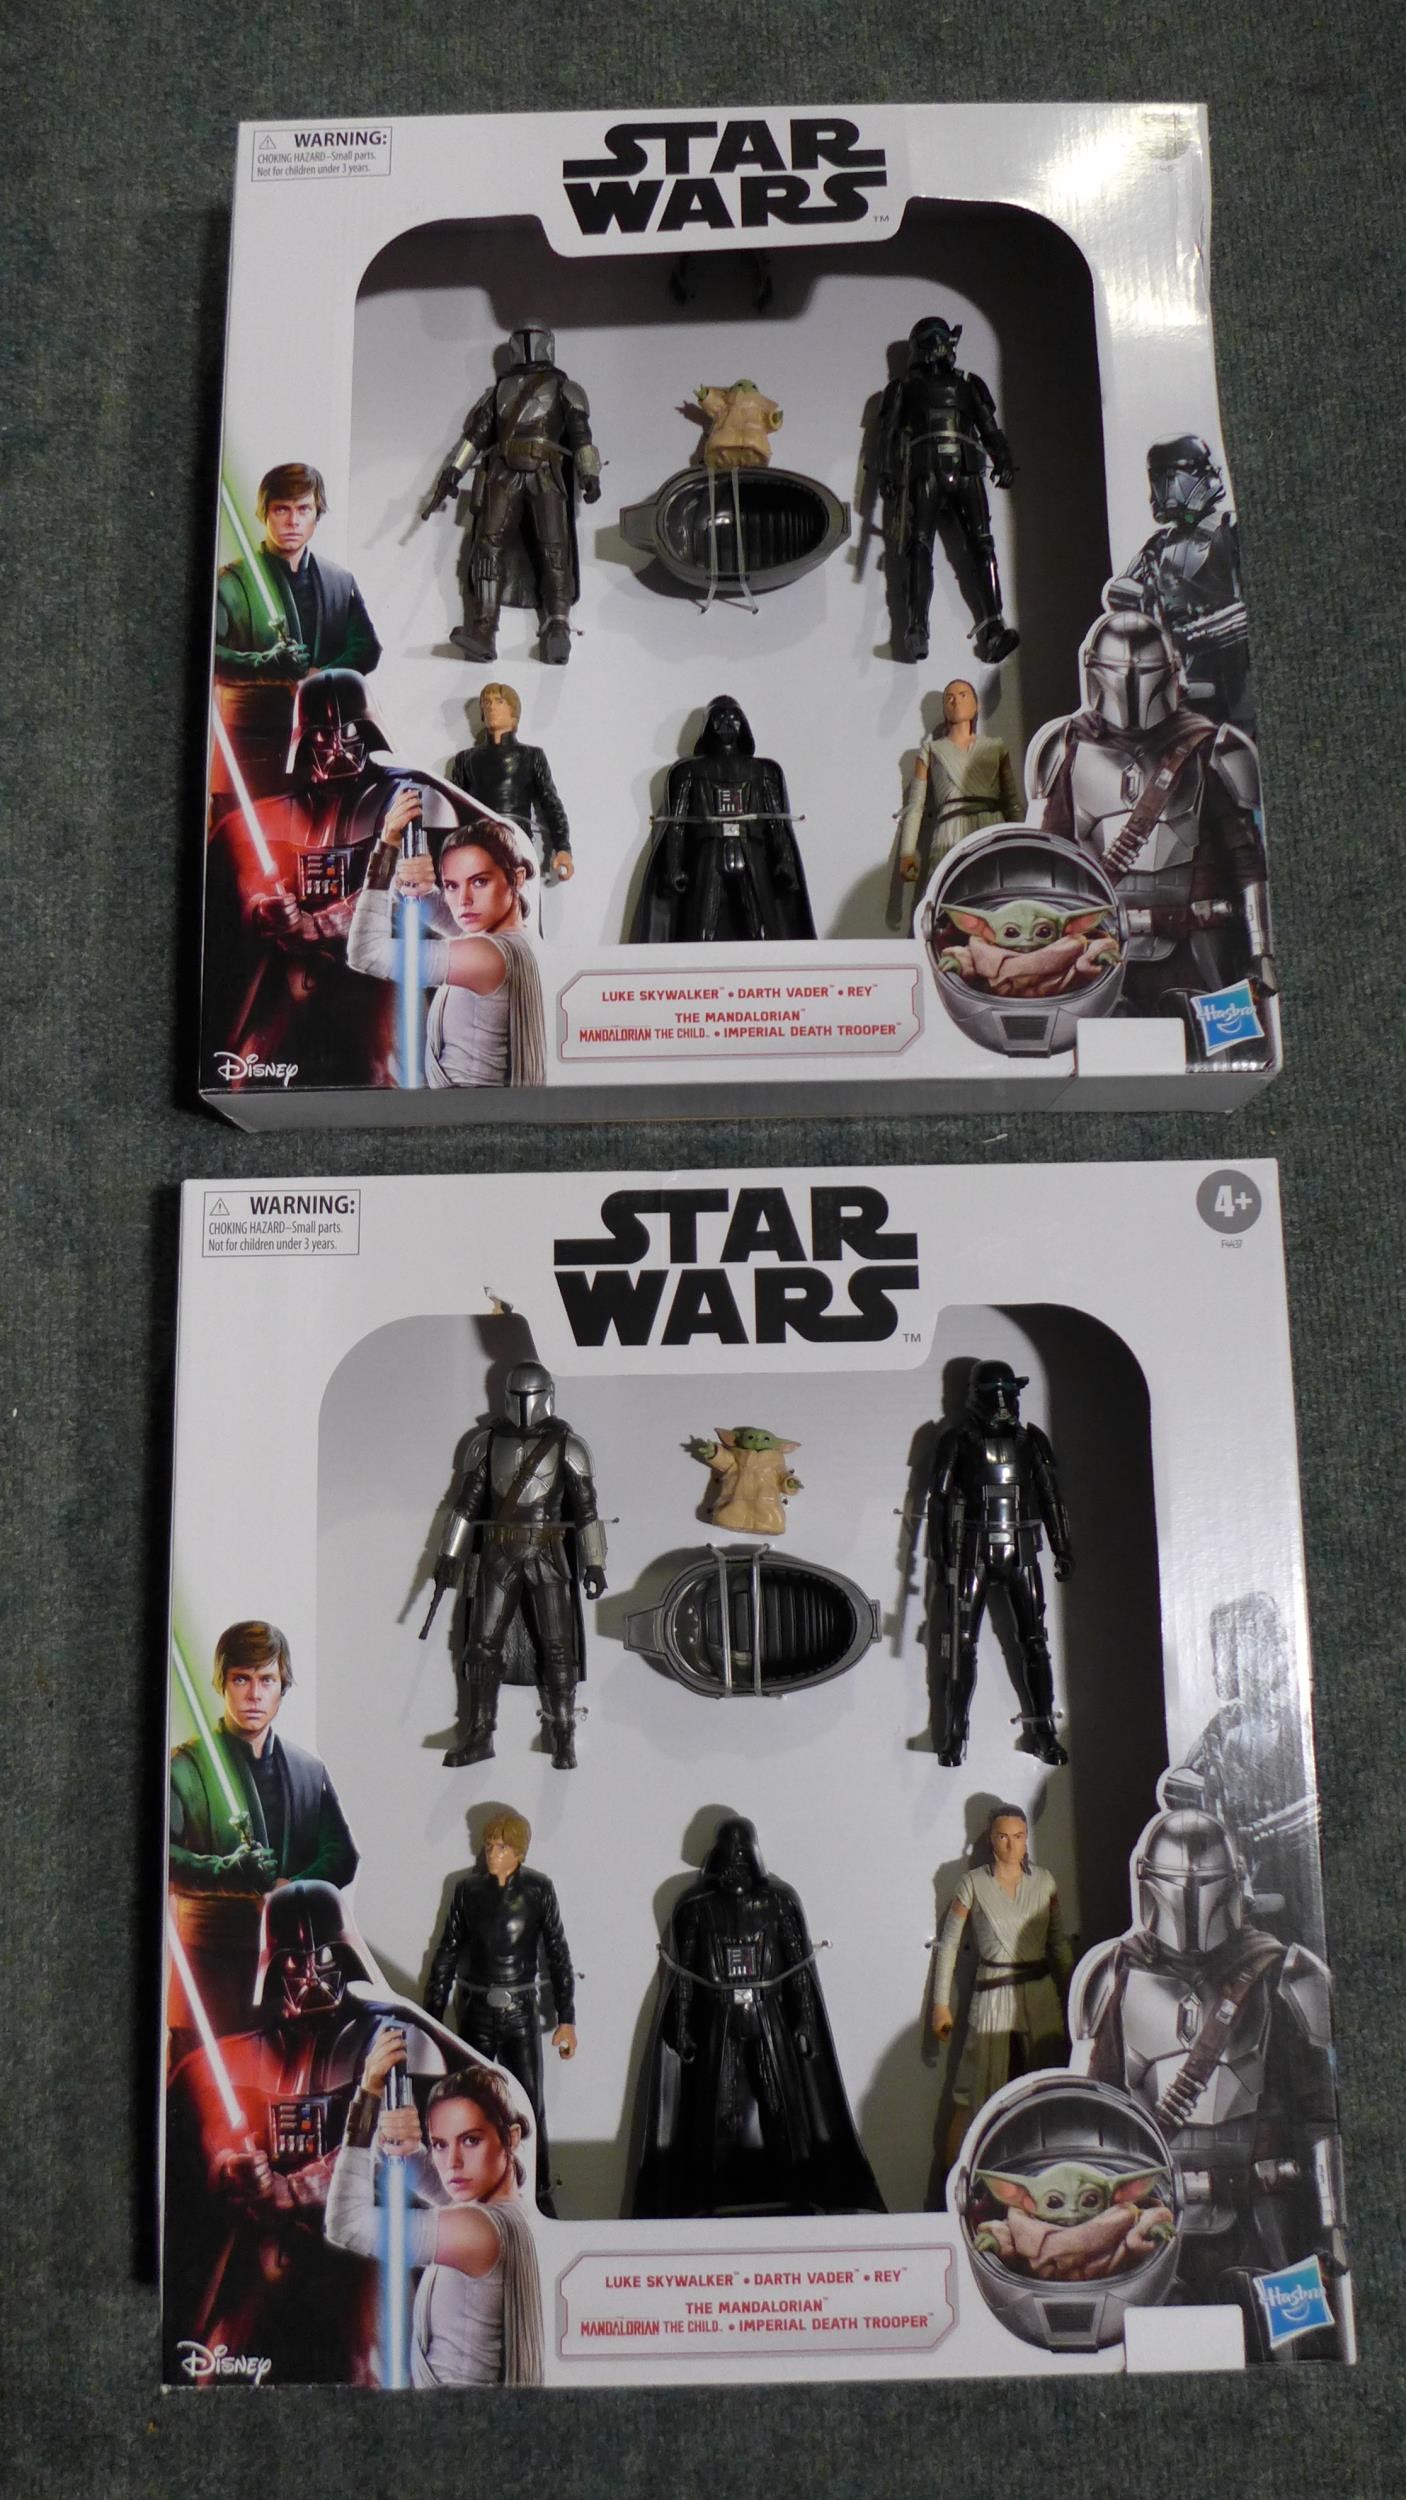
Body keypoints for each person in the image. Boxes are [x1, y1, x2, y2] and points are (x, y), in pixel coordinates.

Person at [164, 1882, 480, 2386]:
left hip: (361, 2261)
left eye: (325, 1955)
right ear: (272, 1964)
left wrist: (292, 2188)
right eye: (295, 1959)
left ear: (347, 1953)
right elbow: (198, 2134)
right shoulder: (225, 2061)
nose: (310, 1972)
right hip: (265, 2266)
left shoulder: (398, 2041)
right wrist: (230, 2167)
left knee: (369, 2368)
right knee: (213, 2366)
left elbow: (396, 2150)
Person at [1069, 1808, 1347, 2356]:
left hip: (1268, 2219)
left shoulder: (1285, 1973)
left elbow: (1321, 2117)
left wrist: (1332, 2223)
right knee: (1163, 2364)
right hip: (1150, 2224)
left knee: (1299, 2358)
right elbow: (1094, 2120)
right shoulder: (1114, 1974)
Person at [1026, 597, 1274, 1056]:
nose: (1131, 688)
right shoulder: (1066, 747)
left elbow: (1246, 860)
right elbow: (1051, 862)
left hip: (1201, 947)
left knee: (1232, 1055)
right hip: (1099, 951)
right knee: (1103, 1064)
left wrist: (1261, 948)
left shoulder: (1212, 746)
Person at [631, 1817, 886, 2220]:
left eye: (741, 1859)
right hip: (718, 2019)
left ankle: (797, 2186)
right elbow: (683, 1976)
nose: (734, 1868)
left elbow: (799, 1968)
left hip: (768, 2016)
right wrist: (680, 2024)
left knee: (780, 2103)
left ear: (753, 1858)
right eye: (728, 1860)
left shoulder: (778, 1902)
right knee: (716, 2109)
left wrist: (805, 2019)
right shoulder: (696, 1907)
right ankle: (709, 2192)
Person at [168, 1620, 358, 2038]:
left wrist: (291, 1890)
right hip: (209, 1977)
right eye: (242, 1679)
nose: (254, 1694)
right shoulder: (185, 1766)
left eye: (266, 1680)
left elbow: (343, 1856)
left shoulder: (308, 1770)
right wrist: (224, 1872)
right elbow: (162, 1858)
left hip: (292, 1980)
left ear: (282, 1685)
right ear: (223, 1682)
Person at [325, 2031, 544, 2386]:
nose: (452, 2162)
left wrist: (367, 2098)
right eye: (440, 2144)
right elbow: (446, 2188)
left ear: (512, 2137)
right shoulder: (508, 2212)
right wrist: (397, 2142)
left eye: (470, 2140)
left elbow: (345, 2223)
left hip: (450, 2416)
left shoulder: (475, 2231)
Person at [421, 1362, 606, 1770]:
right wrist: (448, 1555)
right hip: (498, 1553)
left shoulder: (569, 1445)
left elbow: (587, 1510)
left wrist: (594, 1561)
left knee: (558, 1647)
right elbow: (466, 1505)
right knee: (481, 1644)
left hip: (547, 1552)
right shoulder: (485, 1443)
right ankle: (479, 1733)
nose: (525, 1405)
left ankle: (563, 1732)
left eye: (530, 1397)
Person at [424, 1809, 577, 2214]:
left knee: (530, 2102)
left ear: (519, 1852)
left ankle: (539, 2193)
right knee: (466, 2104)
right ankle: (467, 2192)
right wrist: (430, 2018)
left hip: (520, 2012)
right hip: (475, 2009)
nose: (493, 1853)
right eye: (490, 1845)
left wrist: (566, 2018)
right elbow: (446, 1954)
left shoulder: (539, 1891)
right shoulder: (467, 1891)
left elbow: (558, 1955)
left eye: (503, 1847)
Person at [925, 1359, 1074, 1768]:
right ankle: (955, 1733)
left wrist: (1062, 1547)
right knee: (960, 1646)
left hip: (1021, 1547)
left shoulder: (1032, 1440)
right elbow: (938, 1501)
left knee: (1035, 1642)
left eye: (1009, 1393)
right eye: (995, 1394)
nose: (1003, 1402)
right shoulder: (957, 1439)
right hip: (971, 1548)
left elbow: (1051, 1497)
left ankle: (1043, 1730)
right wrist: (942, 1557)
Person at [424, 324, 601, 666]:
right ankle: (483, 629)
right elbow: (475, 437)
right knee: (488, 546)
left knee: (554, 549)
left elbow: (581, 435)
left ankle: (558, 626)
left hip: (545, 471)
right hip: (503, 473)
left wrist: (589, 472)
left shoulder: (565, 388)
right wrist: (453, 471)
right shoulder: (498, 392)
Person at [213, 462, 382, 796]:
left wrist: (321, 677)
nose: (293, 521)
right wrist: (264, 665)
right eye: (282, 509)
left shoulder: (339, 581)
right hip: (250, 751)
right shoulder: (231, 581)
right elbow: (207, 656)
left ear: (317, 515)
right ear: (265, 513)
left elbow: (367, 648)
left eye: (303, 509)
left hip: (323, 753)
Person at [346, 814, 546, 1089]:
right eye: (452, 885)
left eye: (479, 882)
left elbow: (365, 952)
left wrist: (387, 850)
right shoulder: (515, 937)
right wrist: (409, 880)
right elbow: (447, 916)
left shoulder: (484, 957)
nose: (463, 900)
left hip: (462, 1110)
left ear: (517, 878)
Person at [931, 1806, 1071, 2175]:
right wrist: (940, 2004)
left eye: (1018, 1836)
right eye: (1003, 1836)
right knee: (973, 2091)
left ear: (1027, 1840)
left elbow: (1058, 1944)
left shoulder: (1044, 1882)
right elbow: (949, 1944)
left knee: (1048, 2087)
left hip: (1039, 1994)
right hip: (992, 1994)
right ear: (991, 1839)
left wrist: (1075, 1996)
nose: (1011, 1845)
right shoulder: (973, 1883)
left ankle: (1046, 2176)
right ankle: (955, 2186)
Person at [873, 316, 1018, 665]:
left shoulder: (969, 383)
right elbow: (887, 434)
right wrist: (887, 471)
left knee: (981, 543)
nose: (940, 347)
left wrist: (1003, 459)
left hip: (967, 468)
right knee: (917, 547)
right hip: (924, 469)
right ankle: (916, 627)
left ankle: (994, 626)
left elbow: (989, 428)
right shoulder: (902, 388)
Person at [630, 694, 815, 944]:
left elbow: (777, 822)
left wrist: (785, 859)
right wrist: (673, 866)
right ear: (707, 726)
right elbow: (677, 825)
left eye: (733, 717)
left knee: (762, 930)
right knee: (699, 929)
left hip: (751, 852)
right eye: (719, 717)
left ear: (744, 724)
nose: (726, 722)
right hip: (708, 853)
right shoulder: (687, 772)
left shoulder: (764, 771)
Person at [1124, 435, 1253, 734]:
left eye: (1168, 477)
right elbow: (1122, 591)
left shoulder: (1230, 529)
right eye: (1156, 479)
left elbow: (1254, 609)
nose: (1161, 489)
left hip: (1237, 680)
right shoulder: (1159, 546)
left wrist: (1192, 635)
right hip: (1183, 687)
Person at [897, 679, 1022, 885]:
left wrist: (1023, 840)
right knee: (949, 890)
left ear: (977, 705)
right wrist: (907, 852)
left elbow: (1012, 801)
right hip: (949, 831)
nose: (956, 701)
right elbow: (916, 806)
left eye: (963, 695)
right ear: (944, 709)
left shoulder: (995, 747)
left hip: (991, 828)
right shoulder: (932, 750)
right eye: (949, 698)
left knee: (994, 890)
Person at [447, 682, 574, 879]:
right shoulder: (465, 759)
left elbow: (551, 803)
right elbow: (452, 808)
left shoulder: (531, 756)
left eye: (499, 701)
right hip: (477, 848)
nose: (491, 707)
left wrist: (563, 848)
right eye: (487, 703)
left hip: (519, 845)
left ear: (514, 712)